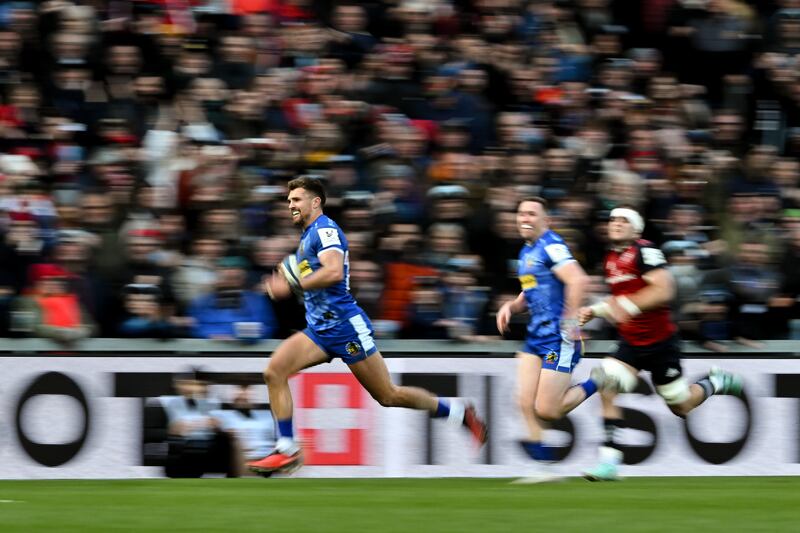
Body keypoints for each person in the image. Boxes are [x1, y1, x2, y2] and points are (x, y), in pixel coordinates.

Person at [246, 176, 487, 475]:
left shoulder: (326, 230)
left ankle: (459, 413)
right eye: (289, 201)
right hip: (321, 330)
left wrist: (293, 284)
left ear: (315, 201)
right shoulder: (308, 236)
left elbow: (333, 272)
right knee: (274, 371)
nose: (291, 205)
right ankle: (287, 450)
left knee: (388, 396)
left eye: (296, 199)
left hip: (346, 327)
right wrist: (286, 277)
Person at [577, 206, 744, 482]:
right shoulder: (610, 259)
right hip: (630, 342)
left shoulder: (645, 251)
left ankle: (715, 383)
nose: (616, 224)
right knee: (607, 384)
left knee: (681, 405)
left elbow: (664, 290)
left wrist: (625, 306)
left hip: (661, 343)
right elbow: (620, 299)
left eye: (624, 220)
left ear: (637, 230)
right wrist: (595, 310)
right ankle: (609, 462)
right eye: (612, 219)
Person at [495, 196, 604, 472]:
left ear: (547, 221)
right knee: (523, 401)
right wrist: (512, 305)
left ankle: (599, 382)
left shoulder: (551, 246)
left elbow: (578, 279)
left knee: (547, 410)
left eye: (532, 214)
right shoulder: (526, 252)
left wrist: (570, 322)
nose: (525, 218)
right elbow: (531, 290)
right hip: (535, 336)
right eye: (521, 214)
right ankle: (543, 467)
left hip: (558, 338)